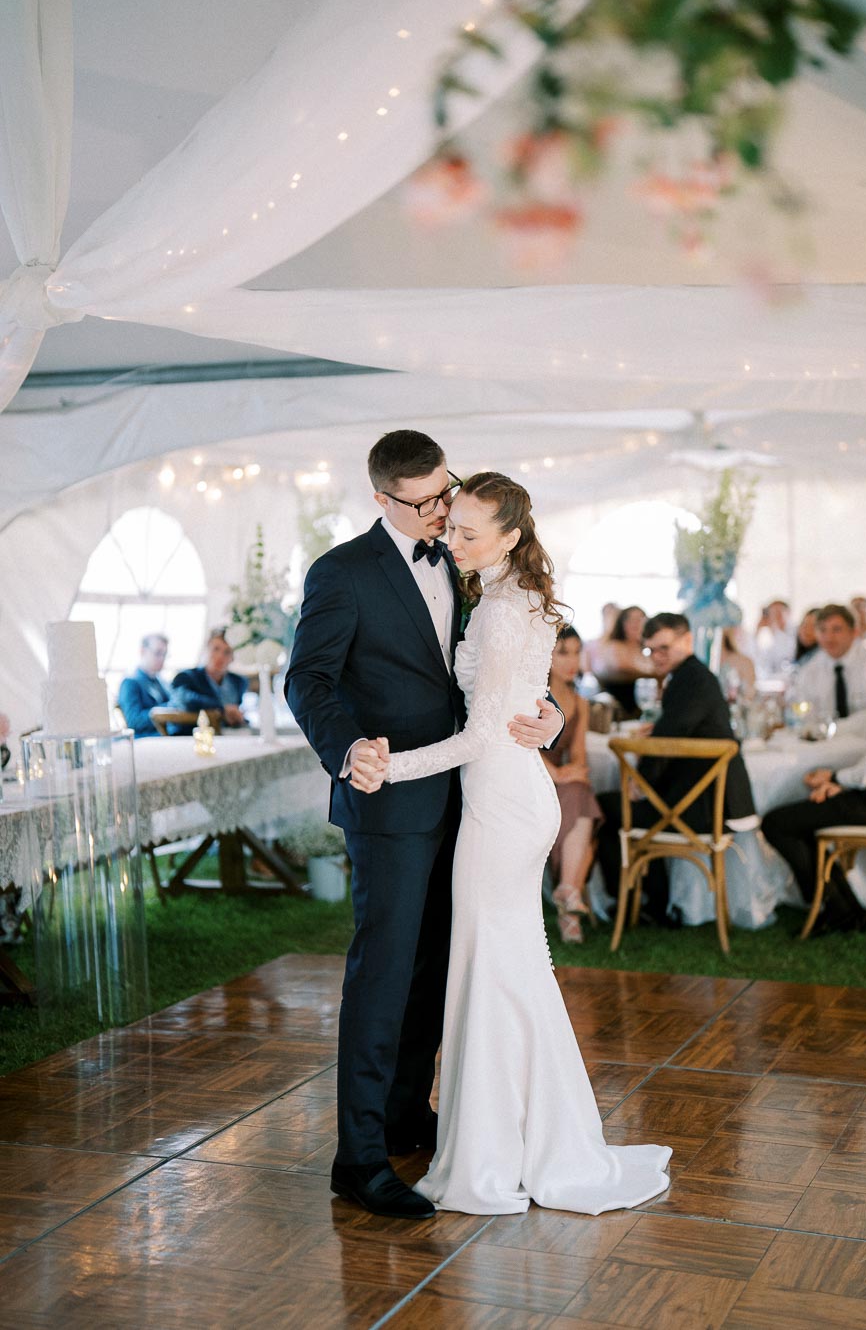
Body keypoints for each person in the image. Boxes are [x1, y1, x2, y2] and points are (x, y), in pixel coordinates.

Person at [353, 472, 671, 1217]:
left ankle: (500, 1147)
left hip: (500, 801)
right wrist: (550, 717)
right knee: (506, 966)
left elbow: (481, 731)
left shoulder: (500, 608)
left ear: (510, 538)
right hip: (511, 795)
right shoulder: (512, 596)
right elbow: (529, 697)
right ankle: (526, 1133)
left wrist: (388, 767)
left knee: (489, 967)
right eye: (450, 526)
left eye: (467, 532)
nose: (450, 540)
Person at [283, 431, 563, 1222]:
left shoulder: (469, 561)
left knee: (436, 971)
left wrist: (549, 715)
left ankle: (409, 1114)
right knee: (383, 977)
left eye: (447, 490)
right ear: (382, 500)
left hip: (474, 800)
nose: (443, 509)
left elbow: (506, 673)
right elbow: (307, 678)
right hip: (392, 804)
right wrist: (348, 751)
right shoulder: (342, 573)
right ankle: (359, 1158)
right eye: (425, 501)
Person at [594, 613, 756, 924]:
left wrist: (640, 783)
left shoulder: (691, 681)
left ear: (687, 641)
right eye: (650, 650)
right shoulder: (693, 677)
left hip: (704, 808)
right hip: (701, 801)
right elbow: (677, 731)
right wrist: (657, 731)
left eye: (663, 648)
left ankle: (634, 902)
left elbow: (666, 744)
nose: (656, 657)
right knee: (622, 807)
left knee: (606, 807)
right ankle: (653, 902)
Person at [762, 691, 866, 934]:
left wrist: (837, 778)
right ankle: (845, 910)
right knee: (799, 821)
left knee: (777, 823)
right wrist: (840, 782)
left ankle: (839, 909)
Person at [542, 625, 602, 944]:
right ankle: (569, 902)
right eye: (563, 652)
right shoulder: (532, 692)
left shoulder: (580, 703)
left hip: (561, 784)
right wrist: (559, 774)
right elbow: (516, 742)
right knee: (578, 797)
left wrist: (574, 771)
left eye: (577, 652)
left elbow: (579, 756)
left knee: (579, 792)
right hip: (527, 778)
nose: (572, 661)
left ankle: (567, 892)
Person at [789, 604, 866, 738]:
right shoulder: (809, 670)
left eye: (837, 629)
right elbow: (806, 719)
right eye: (822, 630)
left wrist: (830, 729)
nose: (829, 637)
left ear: (854, 632)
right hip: (825, 749)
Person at [172, 630, 248, 727]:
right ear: (206, 650)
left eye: (227, 652)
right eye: (216, 649)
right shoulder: (187, 677)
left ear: (232, 657)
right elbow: (186, 700)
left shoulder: (239, 682)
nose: (220, 656)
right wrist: (222, 709)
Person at [591, 604, 656, 717]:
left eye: (641, 619)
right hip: (616, 712)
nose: (637, 624)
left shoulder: (646, 650)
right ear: (622, 623)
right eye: (631, 620)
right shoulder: (615, 646)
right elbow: (622, 667)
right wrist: (656, 674)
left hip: (641, 710)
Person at [118, 633, 173, 737]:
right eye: (158, 653)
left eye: (164, 654)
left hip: (165, 735)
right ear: (142, 651)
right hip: (146, 739)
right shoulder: (130, 682)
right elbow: (134, 721)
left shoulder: (162, 682)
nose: (162, 658)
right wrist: (167, 709)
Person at [754, 598, 795, 679]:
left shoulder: (797, 633)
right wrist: (758, 629)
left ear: (788, 613)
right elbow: (762, 661)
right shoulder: (770, 636)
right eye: (772, 614)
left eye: (778, 613)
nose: (775, 617)